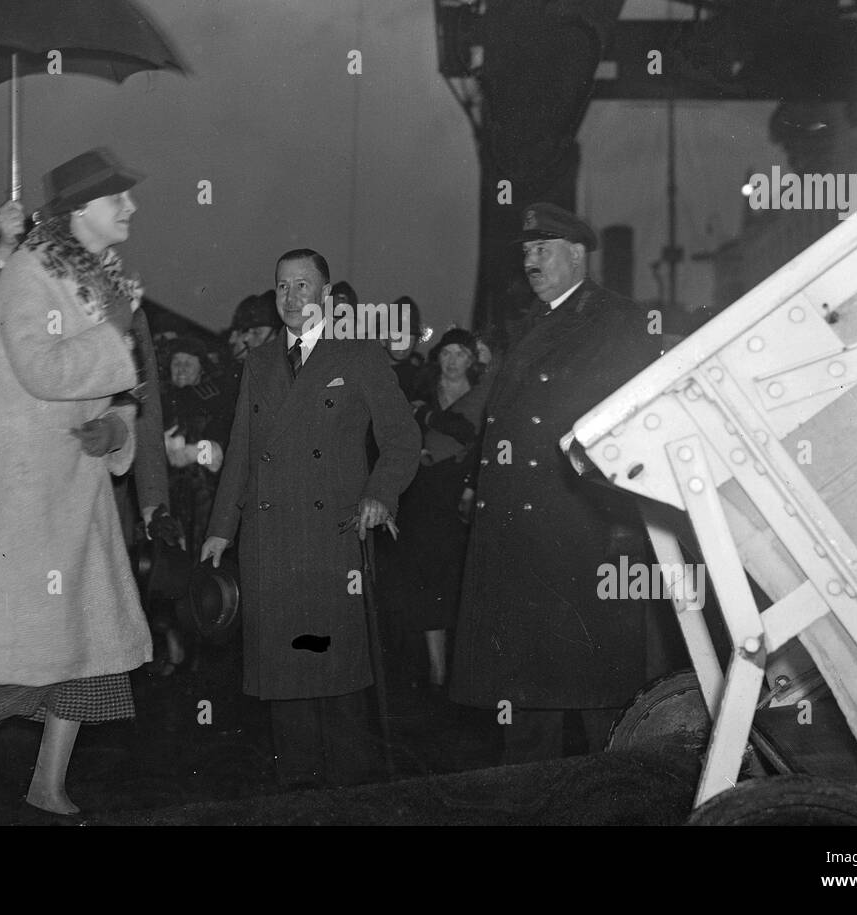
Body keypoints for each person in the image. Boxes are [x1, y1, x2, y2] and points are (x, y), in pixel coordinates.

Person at [0, 148, 153, 816]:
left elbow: (127, 382)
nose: (132, 208)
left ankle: (47, 780)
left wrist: (119, 429)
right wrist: (112, 332)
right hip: (31, 491)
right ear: (79, 210)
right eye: (118, 198)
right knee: (30, 643)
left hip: (81, 489)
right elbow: (39, 367)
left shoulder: (109, 277)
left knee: (90, 641)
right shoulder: (29, 270)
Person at [451, 202, 667, 763]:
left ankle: (622, 801)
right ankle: (531, 803)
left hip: (583, 528)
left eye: (542, 250)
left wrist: (623, 525)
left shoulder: (616, 320)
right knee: (528, 694)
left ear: (577, 254)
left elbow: (637, 424)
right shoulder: (534, 325)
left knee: (600, 696)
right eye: (526, 251)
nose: (530, 261)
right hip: (527, 535)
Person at [201, 249, 419, 790]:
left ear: (325, 295)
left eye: (302, 286)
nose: (291, 297)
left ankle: (350, 801)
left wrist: (380, 495)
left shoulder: (359, 355)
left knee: (338, 679)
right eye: (281, 287)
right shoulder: (258, 362)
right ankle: (296, 803)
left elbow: (402, 440)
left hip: (334, 542)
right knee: (284, 685)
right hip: (270, 542)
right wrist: (220, 528)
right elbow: (243, 452)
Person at [0, 195, 170, 544]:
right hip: (31, 483)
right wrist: (5, 247)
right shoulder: (33, 292)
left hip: (95, 488)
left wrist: (154, 505)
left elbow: (144, 408)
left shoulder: (128, 311)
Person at [392, 329, 490, 692]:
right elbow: (402, 429)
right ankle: (436, 675)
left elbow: (471, 436)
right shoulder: (422, 390)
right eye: (445, 353)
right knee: (425, 584)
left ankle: (464, 675)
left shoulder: (483, 397)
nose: (451, 361)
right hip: (423, 495)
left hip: (461, 497)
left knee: (458, 582)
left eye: (460, 354)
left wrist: (429, 418)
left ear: (472, 360)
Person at [149, 335, 232, 675]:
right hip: (170, 503)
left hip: (203, 505)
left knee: (203, 579)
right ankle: (175, 648)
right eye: (175, 363)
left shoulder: (217, 401)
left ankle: (202, 659)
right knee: (167, 576)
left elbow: (217, 454)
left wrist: (184, 453)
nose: (180, 367)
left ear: (202, 369)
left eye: (188, 362)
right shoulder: (161, 402)